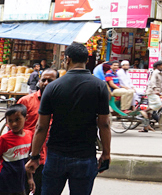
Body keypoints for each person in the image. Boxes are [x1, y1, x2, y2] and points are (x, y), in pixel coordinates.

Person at [25, 43, 111, 195]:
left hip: (55, 155)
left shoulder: (52, 87)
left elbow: (41, 127)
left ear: (67, 59)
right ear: (86, 60)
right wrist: (106, 153)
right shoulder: (100, 87)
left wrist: (34, 156)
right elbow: (104, 124)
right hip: (85, 155)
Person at [18, 69, 59, 195]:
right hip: (26, 154)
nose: (46, 83)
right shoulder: (26, 101)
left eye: (50, 81)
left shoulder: (60, 103)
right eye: (43, 80)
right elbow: (14, 128)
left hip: (49, 156)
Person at [0, 104, 34, 195]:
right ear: (6, 122)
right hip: (3, 183)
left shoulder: (29, 135)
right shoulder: (4, 139)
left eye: (17, 119)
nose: (14, 124)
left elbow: (28, 160)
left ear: (26, 118)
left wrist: (30, 178)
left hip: (20, 183)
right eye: (10, 121)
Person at [143, 60, 162, 133]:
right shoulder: (155, 72)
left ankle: (145, 127)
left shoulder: (160, 73)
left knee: (151, 112)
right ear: (158, 66)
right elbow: (153, 82)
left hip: (156, 92)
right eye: (161, 65)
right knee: (158, 104)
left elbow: (161, 84)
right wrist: (156, 90)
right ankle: (144, 111)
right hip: (152, 92)